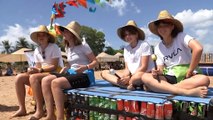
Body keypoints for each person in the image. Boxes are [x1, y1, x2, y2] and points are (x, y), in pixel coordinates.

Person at [141, 10, 210, 97]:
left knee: (204, 80)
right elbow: (161, 70)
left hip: (188, 76)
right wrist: (157, 72)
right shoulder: (158, 47)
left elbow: (198, 48)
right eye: (159, 26)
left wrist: (190, 70)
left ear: (172, 26)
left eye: (165, 25)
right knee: (145, 77)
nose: (162, 29)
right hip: (170, 76)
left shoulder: (181, 36)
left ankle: (161, 88)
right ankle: (186, 92)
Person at [41, 21, 98, 120]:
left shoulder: (83, 45)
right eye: (63, 31)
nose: (63, 33)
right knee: (45, 80)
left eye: (65, 31)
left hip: (85, 75)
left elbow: (95, 62)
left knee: (55, 83)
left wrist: (86, 67)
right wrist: (66, 67)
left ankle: (60, 117)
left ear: (72, 34)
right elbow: (72, 63)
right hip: (72, 73)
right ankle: (50, 115)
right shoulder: (68, 47)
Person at [12, 25, 64, 119]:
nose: (41, 37)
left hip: (54, 73)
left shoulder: (54, 47)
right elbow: (38, 67)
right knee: (19, 77)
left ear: (48, 37)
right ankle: (22, 108)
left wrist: (39, 70)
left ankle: (39, 110)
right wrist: (32, 70)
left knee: (34, 77)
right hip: (42, 73)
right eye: (39, 35)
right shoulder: (37, 50)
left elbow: (54, 66)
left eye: (43, 35)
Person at [101, 20, 154, 90]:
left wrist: (129, 77)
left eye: (130, 34)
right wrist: (124, 77)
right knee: (104, 73)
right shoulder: (126, 49)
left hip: (143, 74)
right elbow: (127, 68)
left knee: (137, 77)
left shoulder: (144, 45)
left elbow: (144, 67)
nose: (127, 36)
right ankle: (125, 85)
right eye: (125, 35)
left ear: (136, 34)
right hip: (131, 76)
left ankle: (128, 84)